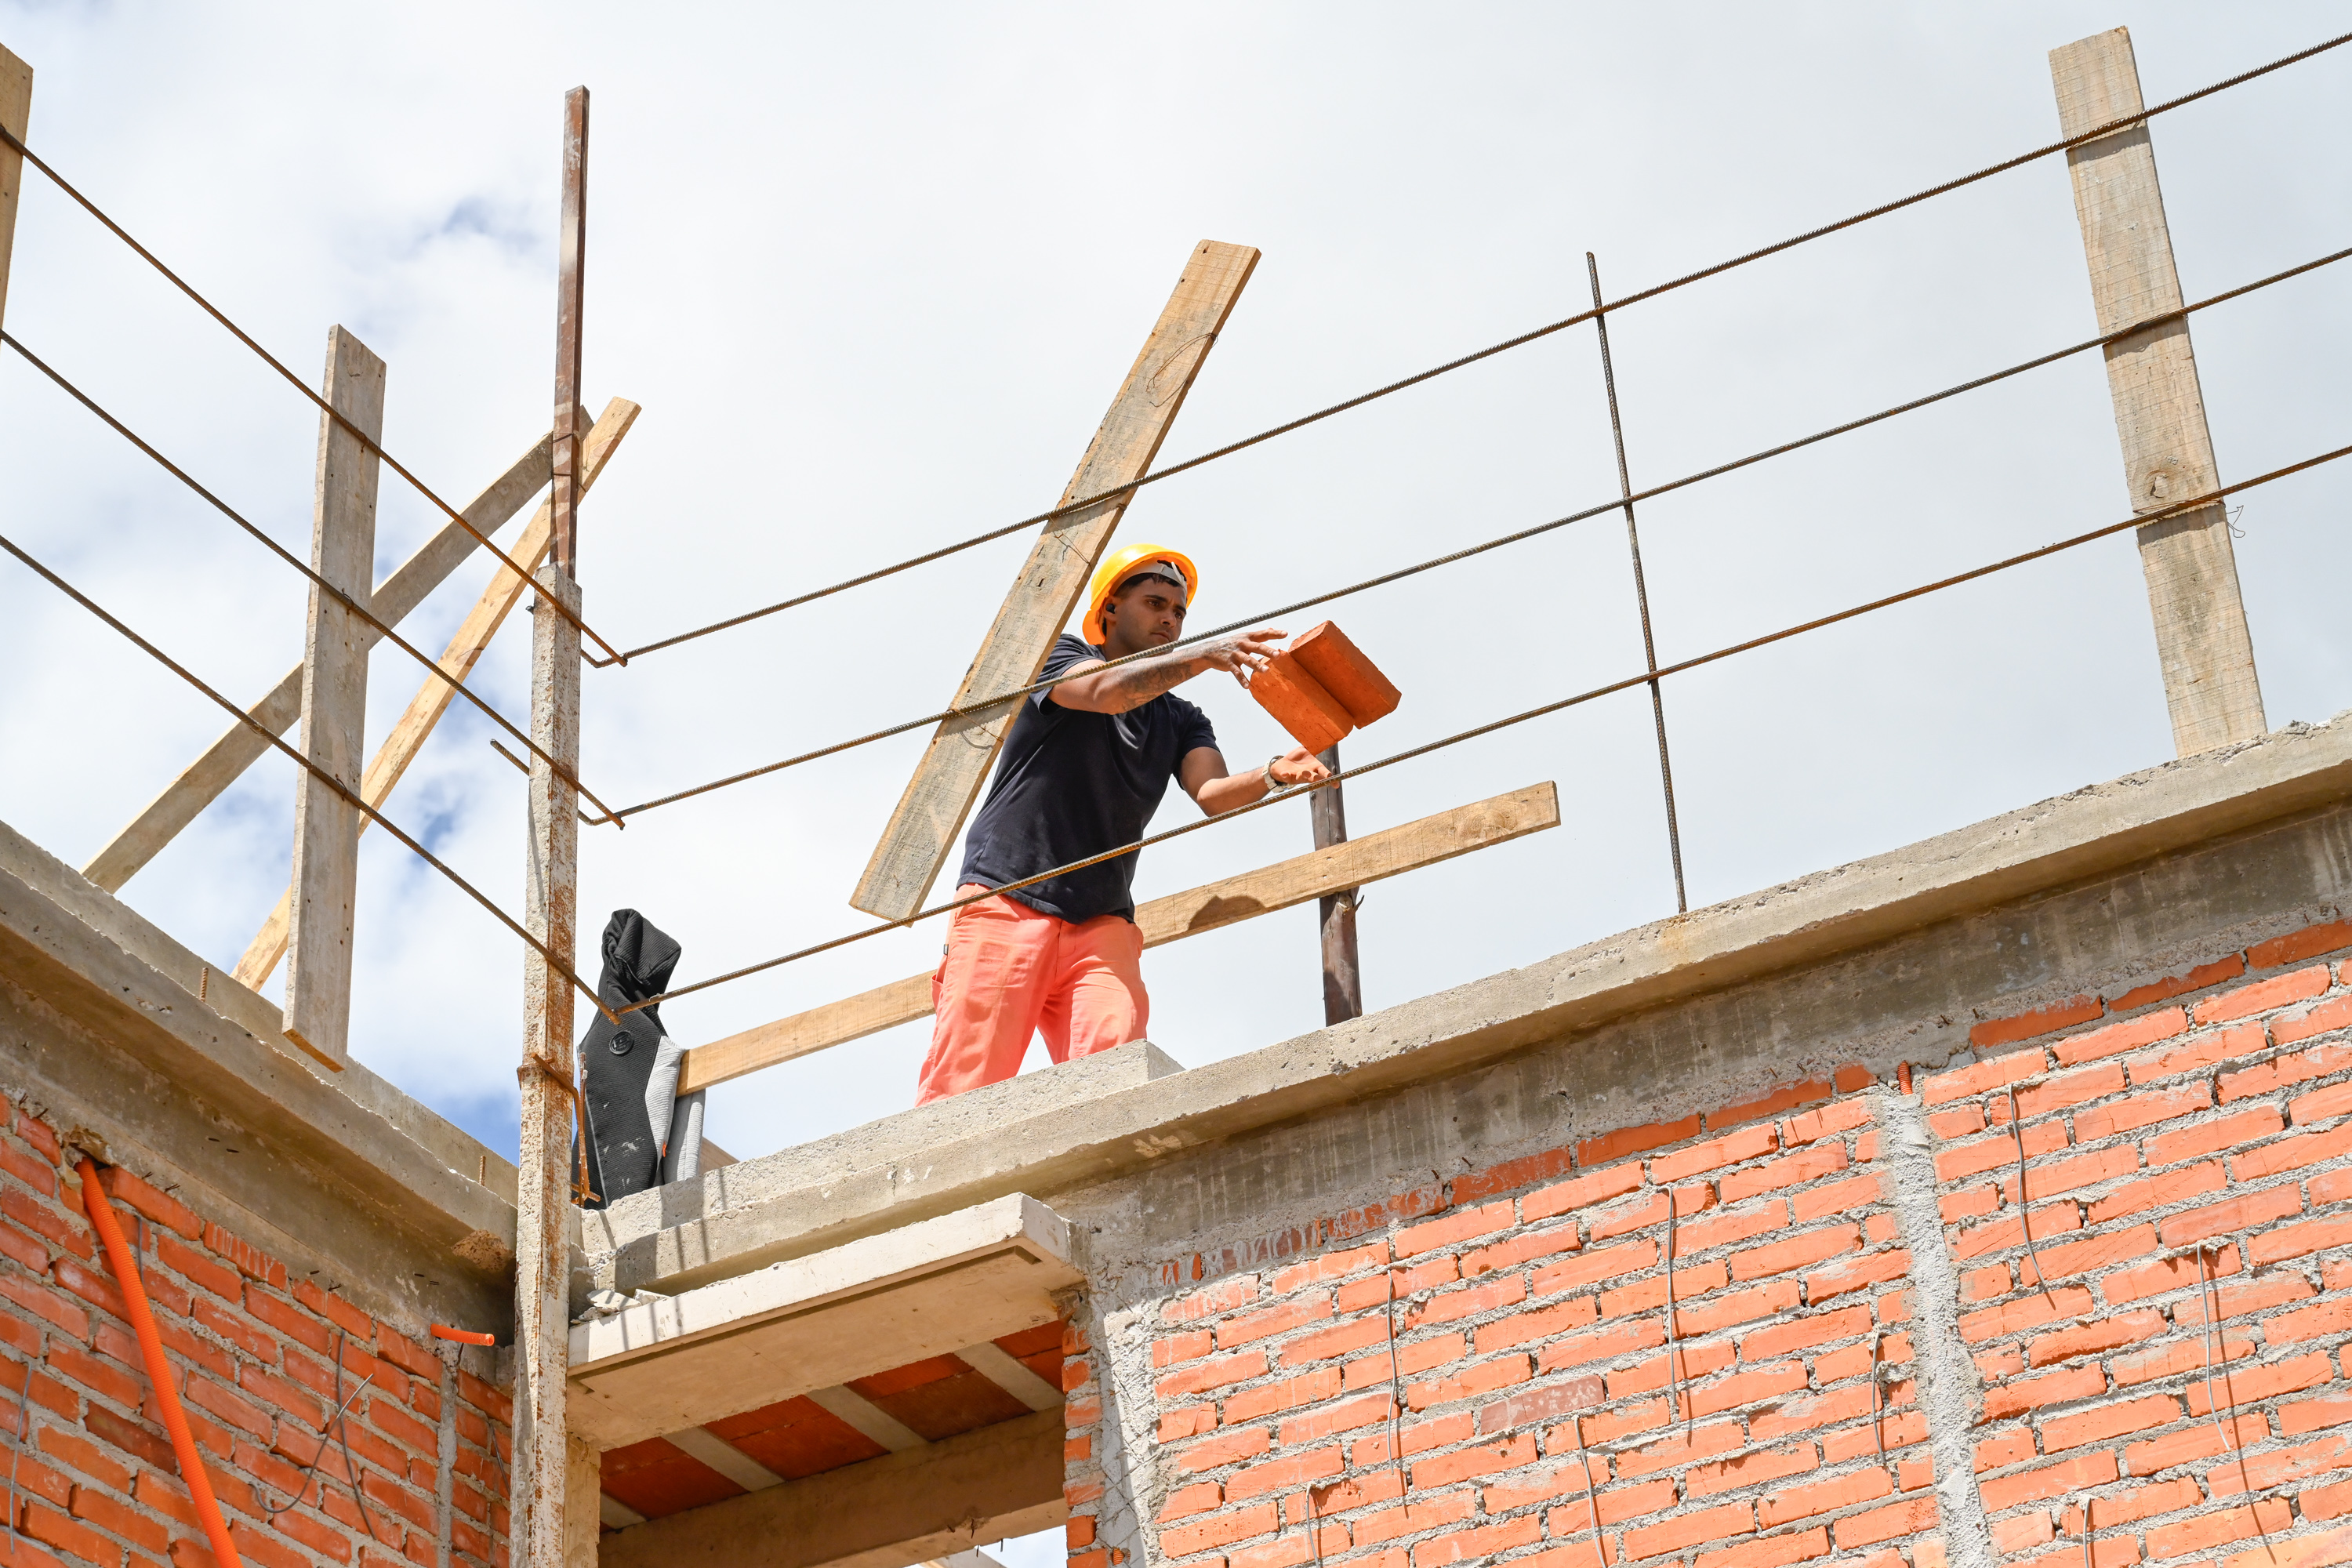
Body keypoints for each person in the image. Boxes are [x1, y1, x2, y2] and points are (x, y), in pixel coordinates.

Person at [914, 543, 1330, 1104]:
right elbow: (1107, 694)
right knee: (966, 1084)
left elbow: (1212, 793)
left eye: (1179, 612)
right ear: (1109, 609)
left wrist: (1273, 773)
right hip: (1006, 897)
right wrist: (1208, 655)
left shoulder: (1182, 719)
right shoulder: (1056, 656)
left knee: (1115, 1086)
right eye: (1156, 603)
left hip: (1100, 921)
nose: (1170, 619)